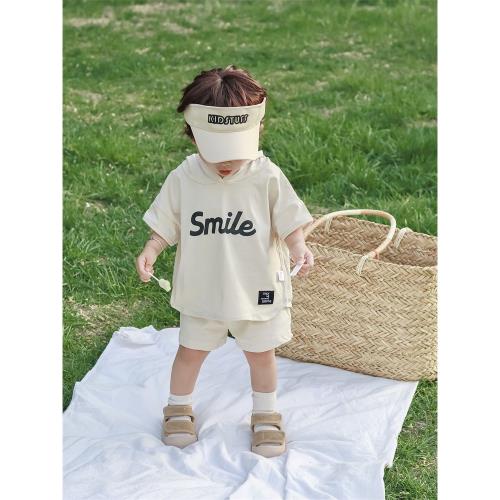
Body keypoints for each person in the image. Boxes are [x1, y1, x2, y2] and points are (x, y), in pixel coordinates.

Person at [135, 65, 314, 458]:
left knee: (261, 355)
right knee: (190, 351)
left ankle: (266, 413)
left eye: (236, 151)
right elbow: (167, 221)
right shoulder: (185, 177)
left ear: (257, 130)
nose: (226, 162)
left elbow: (289, 219)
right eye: (217, 152)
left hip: (256, 287)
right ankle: (178, 407)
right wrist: (152, 248)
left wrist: (298, 245)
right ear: (192, 133)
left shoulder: (266, 176)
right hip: (204, 287)